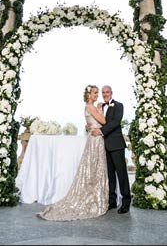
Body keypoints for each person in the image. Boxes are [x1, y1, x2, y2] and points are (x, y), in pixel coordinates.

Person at [37, 85, 109, 221]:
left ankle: (95, 193)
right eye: (95, 93)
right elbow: (103, 121)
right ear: (89, 95)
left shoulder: (86, 107)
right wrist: (100, 109)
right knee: (95, 167)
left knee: (92, 167)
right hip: (96, 140)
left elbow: (90, 123)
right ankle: (95, 197)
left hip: (92, 138)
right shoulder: (91, 107)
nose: (97, 95)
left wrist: (89, 125)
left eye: (97, 93)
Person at [89, 85, 132, 214]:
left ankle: (126, 202)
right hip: (104, 145)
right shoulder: (101, 106)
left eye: (107, 92)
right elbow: (98, 120)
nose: (105, 94)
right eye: (103, 92)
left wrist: (101, 131)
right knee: (110, 175)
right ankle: (112, 202)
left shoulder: (119, 105)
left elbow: (115, 123)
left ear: (111, 93)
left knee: (122, 174)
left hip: (117, 145)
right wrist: (90, 125)